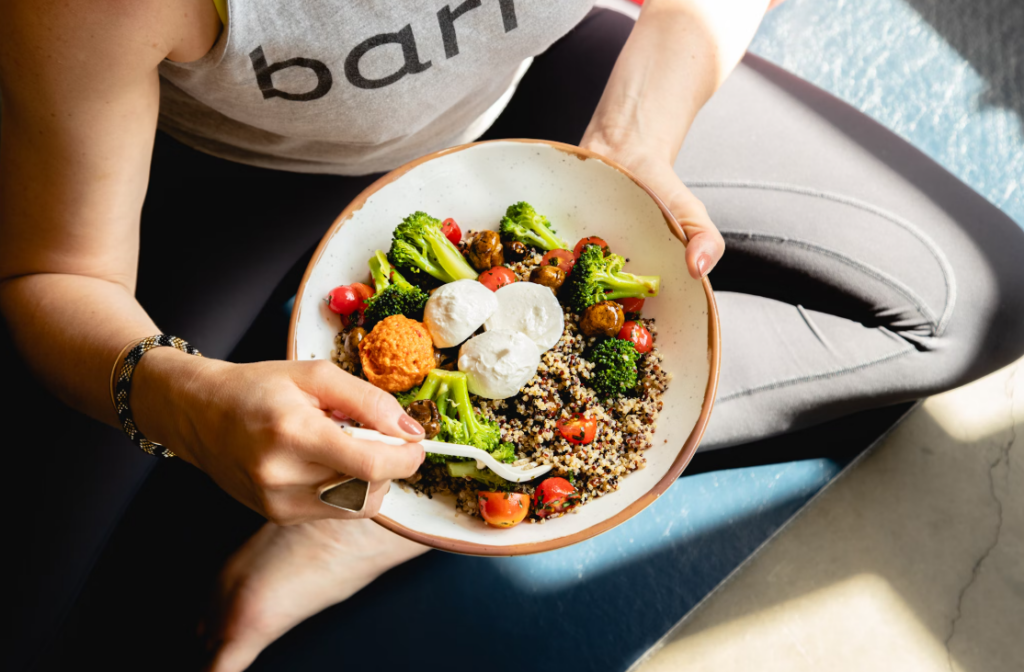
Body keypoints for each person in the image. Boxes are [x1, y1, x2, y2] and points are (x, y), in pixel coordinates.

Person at [3, 0, 1023, 670]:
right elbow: (58, 274)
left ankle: (379, 518)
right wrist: (184, 398)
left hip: (519, 101)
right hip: (223, 175)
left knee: (967, 298)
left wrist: (632, 141)